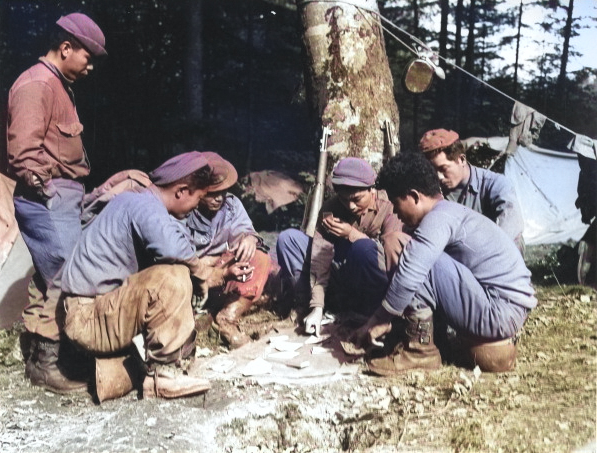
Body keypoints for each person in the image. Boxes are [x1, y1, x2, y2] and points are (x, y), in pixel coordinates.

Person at [352, 152, 537, 375]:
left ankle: (420, 352)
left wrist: (380, 319)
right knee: (413, 250)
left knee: (411, 256)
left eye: (396, 204)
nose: (397, 215)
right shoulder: (449, 212)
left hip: (499, 312)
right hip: (505, 308)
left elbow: (412, 271)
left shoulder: (439, 219)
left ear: (414, 196)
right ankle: (429, 338)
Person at [60, 152, 215, 401]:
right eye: (197, 198)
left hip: (96, 311)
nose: (197, 206)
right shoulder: (143, 205)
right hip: (87, 317)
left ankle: (147, 368)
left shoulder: (141, 203)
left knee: (173, 273)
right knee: (172, 276)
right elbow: (174, 249)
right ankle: (163, 378)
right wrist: (202, 274)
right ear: (182, 191)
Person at [6, 13, 107, 393]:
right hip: (47, 197)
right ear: (66, 48)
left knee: (54, 276)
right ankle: (46, 366)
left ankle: (54, 354)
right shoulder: (36, 85)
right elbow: (24, 154)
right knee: (65, 278)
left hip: (63, 195)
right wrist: (47, 194)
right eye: (87, 55)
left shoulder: (58, 85)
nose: (90, 65)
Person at [276, 157, 407, 336]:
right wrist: (317, 306)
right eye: (344, 200)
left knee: (363, 247)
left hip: (373, 288)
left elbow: (390, 258)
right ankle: (304, 308)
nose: (351, 206)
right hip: (338, 280)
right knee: (289, 239)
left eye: (357, 199)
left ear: (372, 190)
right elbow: (320, 258)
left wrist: (350, 234)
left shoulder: (390, 207)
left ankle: (369, 317)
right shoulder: (331, 208)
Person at [185, 153, 271, 349]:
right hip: (191, 273)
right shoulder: (184, 209)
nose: (219, 198)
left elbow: (245, 231)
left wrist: (248, 239)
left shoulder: (231, 205)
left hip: (222, 268)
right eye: (212, 193)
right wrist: (205, 263)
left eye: (223, 191)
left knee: (260, 258)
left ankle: (227, 319)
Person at [419, 129, 525, 252]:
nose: (439, 177)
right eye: (433, 171)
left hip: (491, 253)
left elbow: (512, 222)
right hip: (455, 255)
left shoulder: (494, 183)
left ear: (462, 160)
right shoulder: (432, 192)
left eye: (443, 169)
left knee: (515, 241)